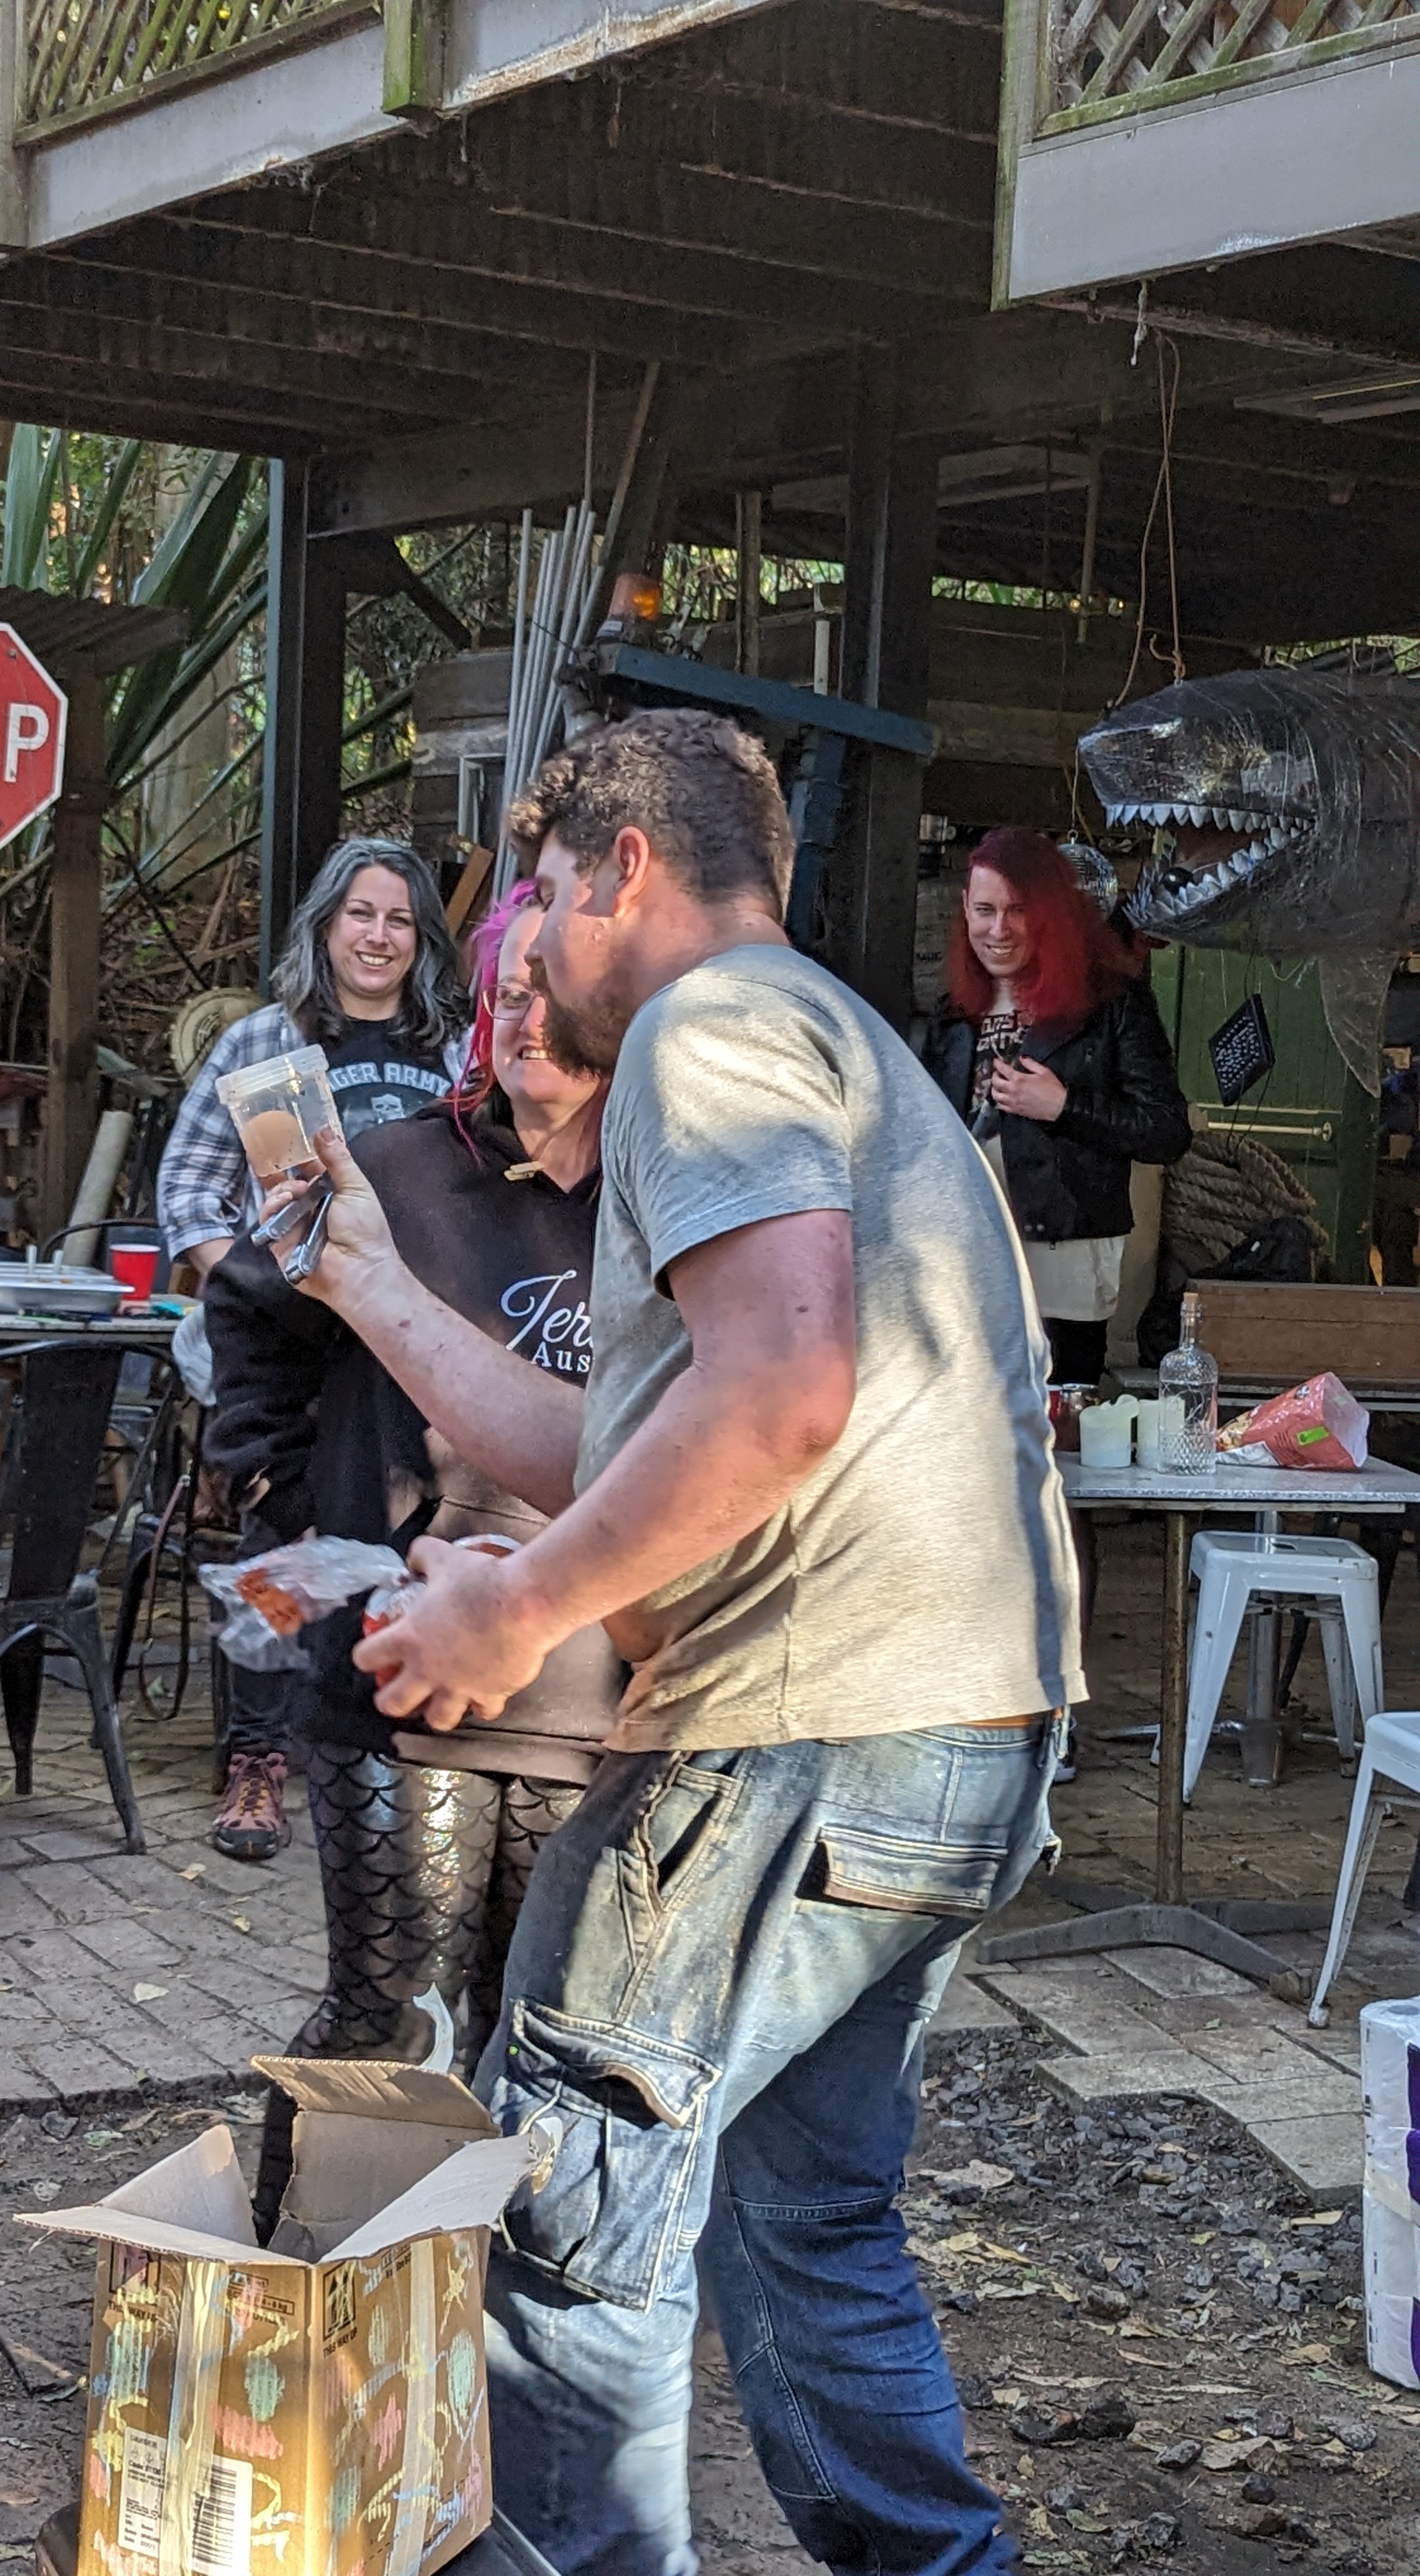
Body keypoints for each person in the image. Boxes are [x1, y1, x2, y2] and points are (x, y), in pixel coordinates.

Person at [258, 706, 1083, 2576]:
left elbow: (782, 1394)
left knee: (567, 2232)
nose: (530, 942)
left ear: (627, 867)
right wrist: (368, 1283)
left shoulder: (709, 1027)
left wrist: (515, 1606)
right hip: (955, 1737)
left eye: (546, 890)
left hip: (790, 1734)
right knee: (805, 2228)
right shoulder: (845, 1043)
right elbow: (630, 1444)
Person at [201, 883, 617, 2239]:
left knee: (530, 2025)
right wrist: (290, 1505)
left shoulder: (669, 1196)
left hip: (590, 1680)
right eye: (507, 991)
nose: (527, 1020)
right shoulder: (383, 1163)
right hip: (397, 1670)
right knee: (397, 2009)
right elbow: (249, 1314)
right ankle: (303, 2288)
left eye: (558, 993)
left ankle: (459, 2307)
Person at [157, 836, 468, 1862]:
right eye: (360, 915)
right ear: (325, 926)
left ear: (422, 940)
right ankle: (256, 1758)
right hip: (293, 1352)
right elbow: (188, 1188)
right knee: (275, 1537)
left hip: (409, 1345)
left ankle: (384, 1753)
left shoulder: (455, 1050)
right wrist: (254, 1283)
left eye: (399, 920)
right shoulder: (269, 1042)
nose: (378, 936)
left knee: (408, 1532)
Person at [923, 825, 1191, 1390]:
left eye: (1018, 911)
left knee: (1058, 1418)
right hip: (965, 1252)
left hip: (1065, 1257)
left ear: (1051, 915)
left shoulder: (1113, 1002)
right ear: (965, 909)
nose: (998, 930)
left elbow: (1167, 1131)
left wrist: (1065, 1107)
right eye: (985, 910)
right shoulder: (954, 1013)